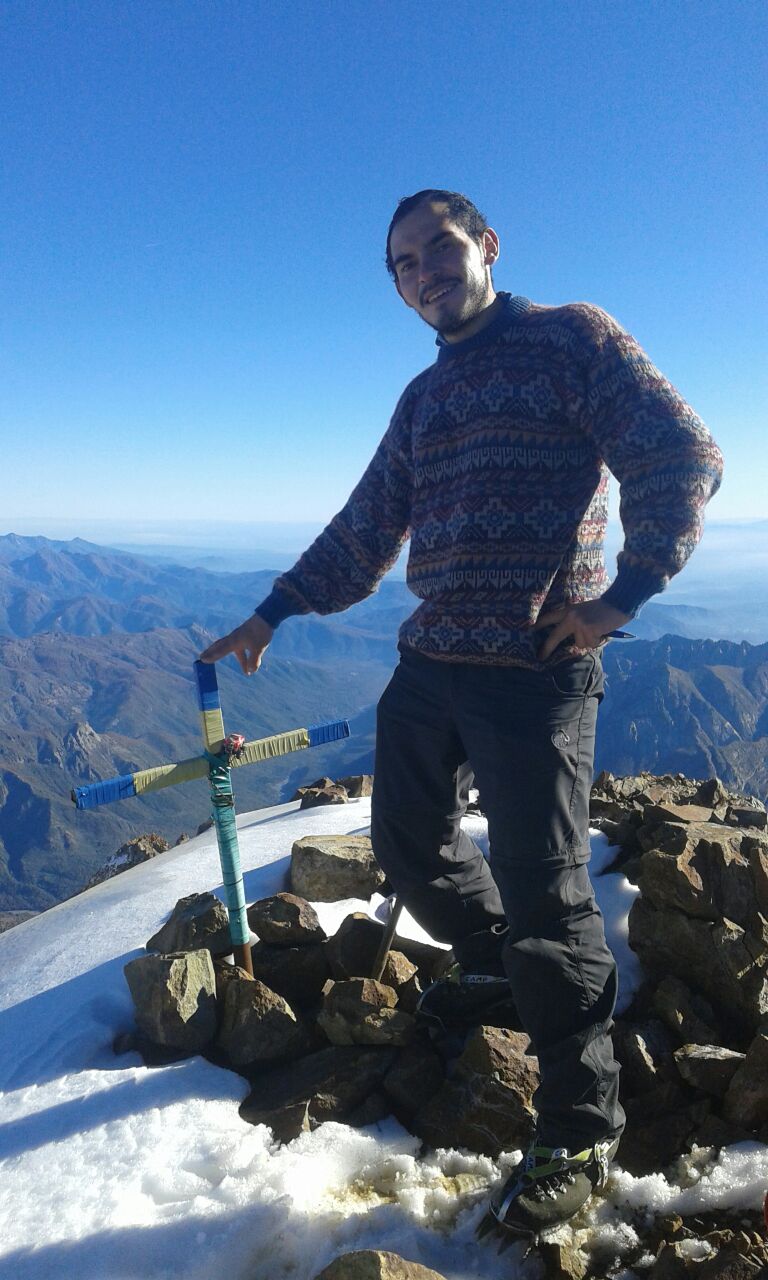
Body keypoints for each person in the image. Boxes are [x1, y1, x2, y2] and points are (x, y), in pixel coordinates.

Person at [200, 189, 723, 1235]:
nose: (423, 273)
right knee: (406, 838)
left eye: (437, 248)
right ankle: (501, 968)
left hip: (535, 672)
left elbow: (682, 452)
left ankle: (581, 1123)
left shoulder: (572, 338)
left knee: (547, 892)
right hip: (431, 661)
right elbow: (366, 525)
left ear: (486, 245)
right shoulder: (424, 396)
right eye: (403, 264)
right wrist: (274, 610)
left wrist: (621, 599)